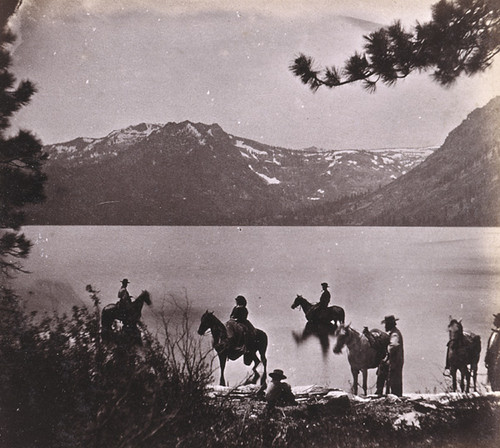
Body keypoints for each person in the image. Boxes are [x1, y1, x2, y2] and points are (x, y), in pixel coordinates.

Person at [376, 315, 404, 397]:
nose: (385, 326)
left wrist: (386, 350)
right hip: (393, 362)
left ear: (390, 324)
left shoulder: (395, 334)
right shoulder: (393, 333)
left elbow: (393, 345)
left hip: (394, 362)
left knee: (394, 383)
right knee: (392, 381)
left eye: (386, 324)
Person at [485, 313, 500, 391]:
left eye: (496, 319)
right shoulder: (493, 333)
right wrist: (486, 359)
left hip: (497, 361)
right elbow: (489, 348)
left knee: (497, 380)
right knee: (492, 379)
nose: (494, 321)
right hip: (491, 361)